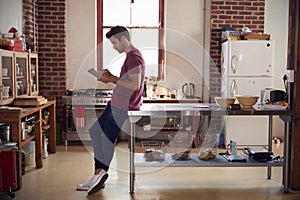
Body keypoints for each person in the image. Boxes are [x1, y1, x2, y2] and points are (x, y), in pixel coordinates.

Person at [76, 26, 145, 195]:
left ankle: (99, 177)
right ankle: (98, 176)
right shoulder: (130, 57)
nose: (113, 47)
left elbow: (135, 85)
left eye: (114, 42)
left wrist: (111, 79)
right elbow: (126, 81)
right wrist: (110, 76)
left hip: (123, 106)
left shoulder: (134, 57)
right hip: (115, 103)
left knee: (106, 138)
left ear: (123, 39)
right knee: (94, 132)